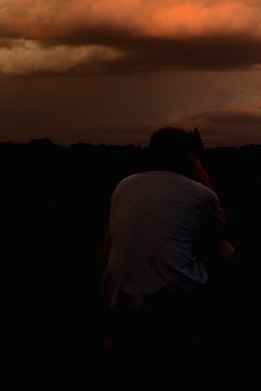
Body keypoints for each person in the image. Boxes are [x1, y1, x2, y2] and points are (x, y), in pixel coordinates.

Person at [100, 127, 237, 370]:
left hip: (117, 298)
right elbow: (223, 225)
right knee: (224, 249)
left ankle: (114, 332)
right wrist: (205, 178)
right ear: (188, 157)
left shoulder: (124, 185)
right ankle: (217, 323)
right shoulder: (199, 192)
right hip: (172, 300)